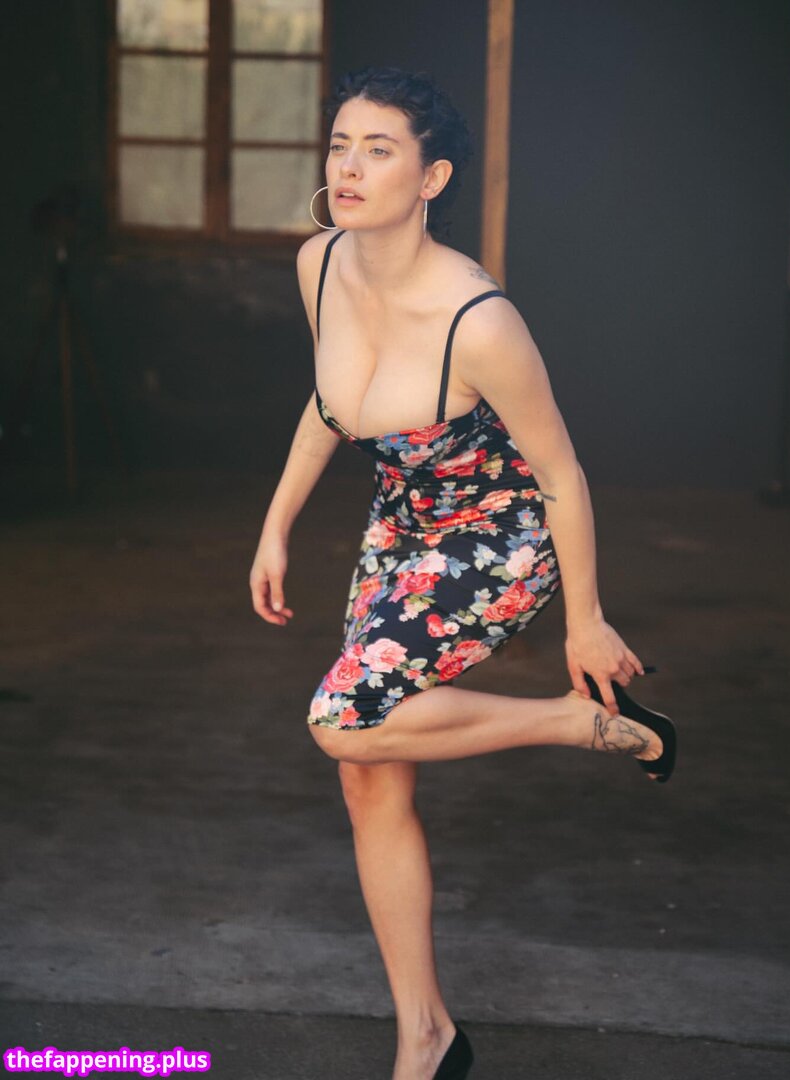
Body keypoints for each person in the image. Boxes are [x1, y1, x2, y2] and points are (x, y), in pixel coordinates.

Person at [250, 65, 676, 1080]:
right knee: (366, 775)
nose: (350, 167)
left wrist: (584, 621)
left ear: (432, 177)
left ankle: (575, 723)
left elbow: (561, 474)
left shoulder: (477, 320)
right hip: (401, 526)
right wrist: (275, 526)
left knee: (339, 720)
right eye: (340, 145)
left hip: (499, 536)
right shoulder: (318, 262)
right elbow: (330, 402)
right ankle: (427, 1037)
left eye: (379, 150)